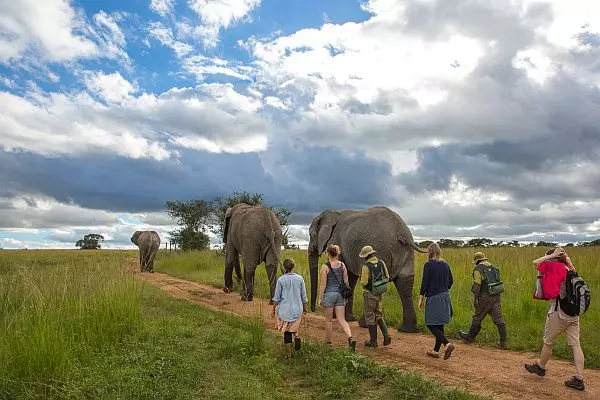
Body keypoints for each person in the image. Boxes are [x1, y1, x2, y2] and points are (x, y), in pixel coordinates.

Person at [524, 247, 586, 391]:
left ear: (554, 257)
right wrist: (564, 257)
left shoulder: (555, 268)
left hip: (558, 312)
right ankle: (579, 378)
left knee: (548, 342)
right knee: (576, 345)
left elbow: (535, 262)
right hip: (573, 313)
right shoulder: (570, 268)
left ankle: (541, 367)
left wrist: (551, 255)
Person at [458, 252, 507, 348]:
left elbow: (477, 286)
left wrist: (475, 299)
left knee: (478, 317)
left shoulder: (478, 269)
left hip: (485, 297)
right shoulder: (495, 268)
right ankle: (503, 342)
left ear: (477, 261)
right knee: (498, 318)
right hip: (496, 296)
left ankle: (469, 337)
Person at [418, 242, 455, 360]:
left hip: (434, 297)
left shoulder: (428, 265)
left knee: (430, 323)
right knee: (439, 324)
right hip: (445, 296)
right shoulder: (445, 264)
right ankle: (435, 351)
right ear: (439, 251)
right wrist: (443, 288)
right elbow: (451, 281)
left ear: (430, 252)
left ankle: (447, 344)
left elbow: (425, 283)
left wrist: (421, 298)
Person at [318, 244, 357, 352]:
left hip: (329, 295)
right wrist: (346, 295)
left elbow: (323, 284)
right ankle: (350, 337)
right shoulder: (342, 265)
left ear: (328, 253)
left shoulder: (325, 267)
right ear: (337, 253)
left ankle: (328, 342)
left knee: (329, 321)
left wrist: (320, 298)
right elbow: (346, 282)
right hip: (340, 295)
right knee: (342, 319)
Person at [271, 258, 308, 359]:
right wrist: (305, 308)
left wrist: (273, 309)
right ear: (293, 266)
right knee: (294, 327)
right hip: (297, 309)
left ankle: (289, 355)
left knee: (287, 332)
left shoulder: (281, 280)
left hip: (285, 310)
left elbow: (276, 297)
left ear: (284, 267)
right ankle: (297, 337)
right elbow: (304, 296)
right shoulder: (300, 279)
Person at [359, 245, 392, 348]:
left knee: (370, 316)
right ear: (373, 253)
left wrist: (362, 281)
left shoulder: (366, 266)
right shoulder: (382, 263)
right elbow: (387, 276)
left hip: (370, 293)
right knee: (378, 314)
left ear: (365, 256)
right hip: (380, 293)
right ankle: (386, 336)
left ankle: (373, 341)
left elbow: (364, 282)